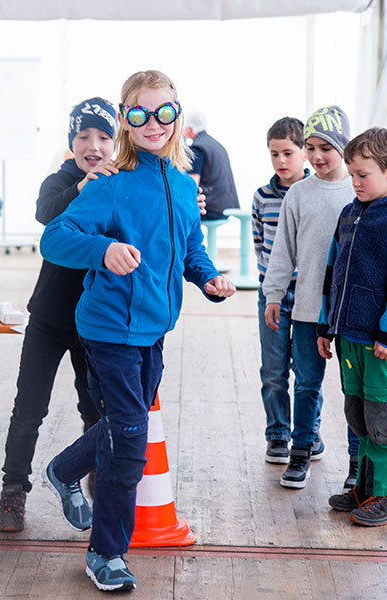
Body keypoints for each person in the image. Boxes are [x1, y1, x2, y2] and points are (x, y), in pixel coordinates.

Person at [39, 70, 236, 592]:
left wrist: (208, 276)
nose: (154, 123)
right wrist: (102, 250)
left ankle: (62, 470)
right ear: (126, 119)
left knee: (126, 425)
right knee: (130, 439)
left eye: (164, 112)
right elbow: (56, 238)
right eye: (141, 113)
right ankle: (106, 553)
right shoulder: (111, 182)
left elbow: (188, 250)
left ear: (178, 114)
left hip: (153, 329)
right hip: (108, 331)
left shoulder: (180, 184)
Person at [0, 97, 116, 533]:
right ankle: (13, 493)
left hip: (95, 322)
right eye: (84, 136)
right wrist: (83, 185)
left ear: (116, 141)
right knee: (29, 409)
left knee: (96, 410)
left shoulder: (120, 185)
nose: (93, 145)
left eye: (103, 136)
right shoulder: (60, 180)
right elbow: (46, 213)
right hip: (47, 319)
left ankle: (98, 477)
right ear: (72, 142)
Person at [318, 127, 387, 527]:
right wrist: (328, 327)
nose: (355, 182)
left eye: (363, 174)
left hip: (379, 342)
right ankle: (365, 487)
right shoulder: (349, 212)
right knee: (357, 412)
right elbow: (333, 271)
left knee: (381, 417)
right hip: (348, 337)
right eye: (352, 174)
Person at [262, 105, 355, 489]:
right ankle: (300, 453)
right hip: (305, 307)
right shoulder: (298, 195)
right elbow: (282, 250)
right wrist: (272, 294)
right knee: (306, 383)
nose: (317, 156)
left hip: (351, 311)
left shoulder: (360, 188)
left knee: (356, 390)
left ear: (344, 149)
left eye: (326, 148)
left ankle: (358, 463)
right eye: (311, 147)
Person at [251, 117, 310, 464]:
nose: (281, 161)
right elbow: (260, 244)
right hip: (271, 294)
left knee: (306, 371)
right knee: (273, 370)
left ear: (304, 153)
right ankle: (277, 434)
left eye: (288, 152)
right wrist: (272, 282)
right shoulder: (261, 196)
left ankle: (308, 434)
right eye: (274, 154)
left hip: (307, 294)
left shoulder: (314, 194)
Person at [184, 109, 239, 220]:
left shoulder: (197, 148)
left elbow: (191, 184)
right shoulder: (216, 145)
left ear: (189, 129)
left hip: (212, 208)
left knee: (176, 213)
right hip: (227, 204)